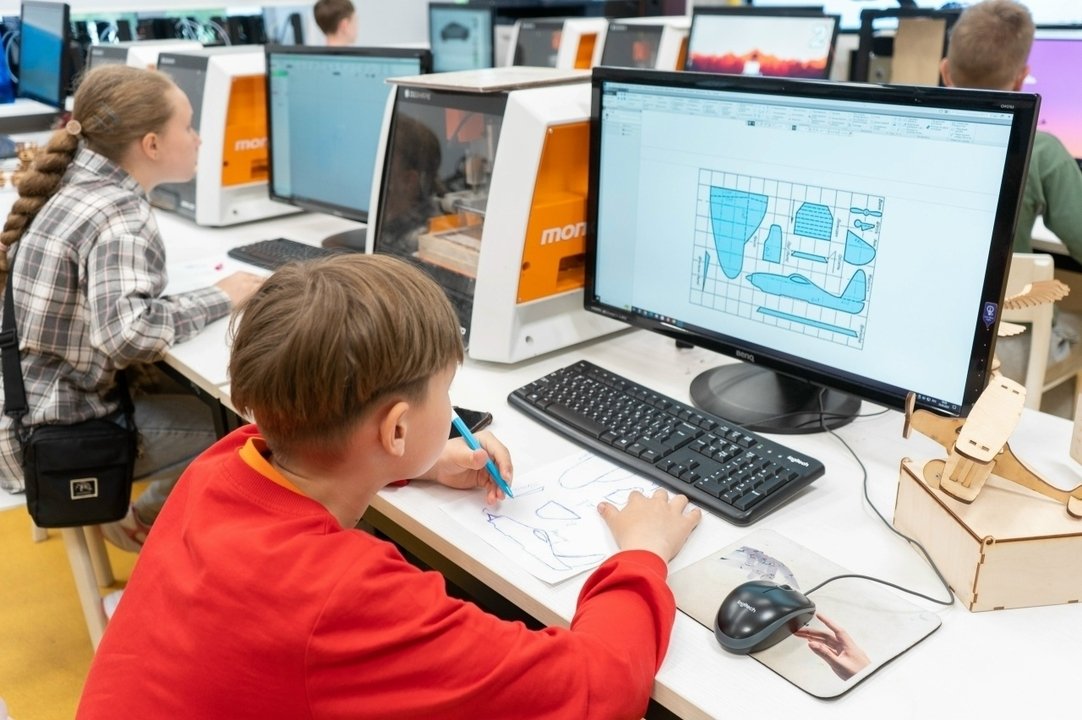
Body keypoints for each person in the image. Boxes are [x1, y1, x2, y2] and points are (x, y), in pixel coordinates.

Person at [77, 254, 703, 719]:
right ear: (396, 427)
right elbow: (600, 689)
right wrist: (641, 555)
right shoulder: (345, 594)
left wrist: (417, 464)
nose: (452, 407)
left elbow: (306, 452)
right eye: (447, 392)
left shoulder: (221, 466)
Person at [0, 66, 262, 549]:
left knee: (191, 395)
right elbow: (127, 335)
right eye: (188, 126)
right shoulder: (120, 213)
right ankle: (146, 522)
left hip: (20, 410)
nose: (199, 139)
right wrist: (222, 296)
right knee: (238, 429)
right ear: (151, 145)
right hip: (51, 437)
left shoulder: (72, 181)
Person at [940, 0, 1082, 384]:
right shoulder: (1042, 151)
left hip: (934, 335)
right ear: (1022, 79)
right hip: (1003, 352)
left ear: (945, 71)